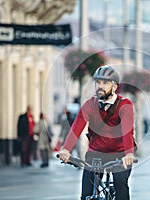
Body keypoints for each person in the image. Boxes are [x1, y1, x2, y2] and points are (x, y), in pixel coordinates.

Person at [59, 65, 136, 200]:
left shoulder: (125, 105)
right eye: (98, 82)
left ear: (114, 87)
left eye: (105, 83)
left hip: (120, 155)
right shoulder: (90, 104)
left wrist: (129, 153)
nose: (100, 86)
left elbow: (126, 132)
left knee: (120, 184)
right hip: (96, 154)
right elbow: (76, 127)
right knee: (87, 193)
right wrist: (66, 149)